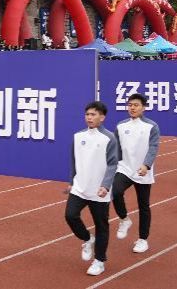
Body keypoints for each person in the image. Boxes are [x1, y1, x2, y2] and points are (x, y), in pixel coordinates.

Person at [65, 101, 118, 277]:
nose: (89, 117)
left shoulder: (109, 138)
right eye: (87, 114)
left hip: (99, 191)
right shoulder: (77, 136)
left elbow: (112, 164)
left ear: (102, 117)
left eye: (93, 114)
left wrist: (105, 185)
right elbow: (74, 161)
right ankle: (88, 239)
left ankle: (99, 261)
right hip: (79, 187)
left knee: (101, 225)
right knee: (70, 215)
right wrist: (71, 181)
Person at [112, 93, 160, 255]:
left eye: (136, 105)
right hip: (124, 168)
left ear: (143, 107)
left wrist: (146, 165)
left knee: (143, 205)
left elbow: (153, 147)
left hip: (142, 170)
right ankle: (124, 219)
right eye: (130, 105)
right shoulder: (121, 126)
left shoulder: (151, 126)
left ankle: (143, 239)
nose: (132, 108)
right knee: (115, 191)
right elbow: (116, 148)